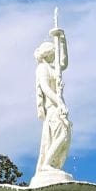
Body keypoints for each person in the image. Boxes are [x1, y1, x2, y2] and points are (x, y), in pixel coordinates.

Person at [34, 24, 71, 177]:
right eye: (54, 52)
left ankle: (51, 164)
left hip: (58, 106)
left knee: (65, 135)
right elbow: (46, 89)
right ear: (48, 54)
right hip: (53, 108)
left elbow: (64, 63)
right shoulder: (42, 69)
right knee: (63, 133)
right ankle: (47, 164)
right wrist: (60, 102)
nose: (55, 55)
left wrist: (62, 40)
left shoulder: (52, 68)